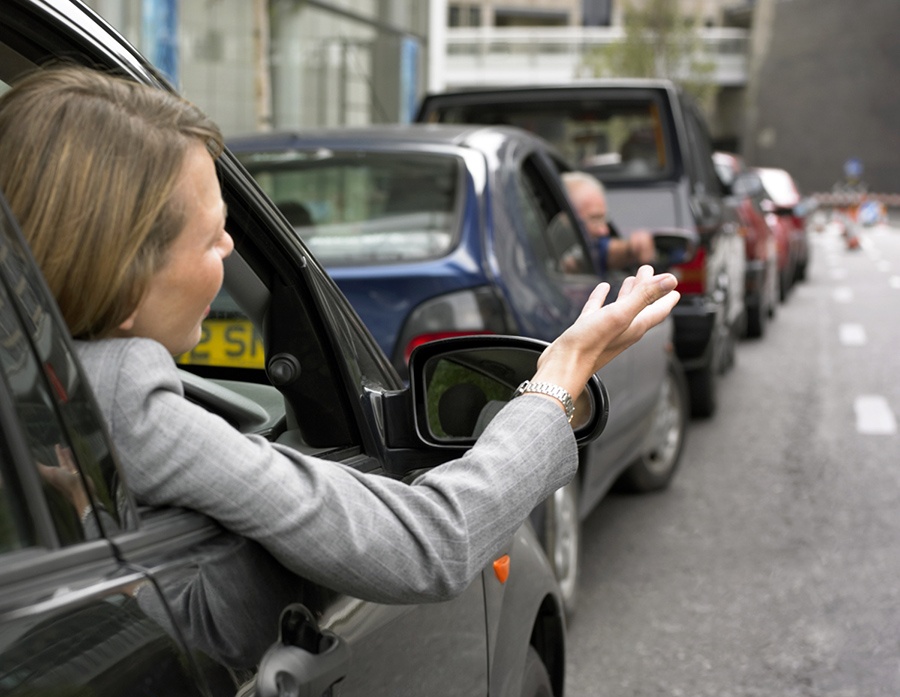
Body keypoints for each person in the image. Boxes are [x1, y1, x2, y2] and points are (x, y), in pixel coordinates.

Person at [0, 66, 679, 606]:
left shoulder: (43, 387)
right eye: (212, 238)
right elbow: (428, 545)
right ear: (126, 270)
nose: (232, 247)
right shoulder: (123, 394)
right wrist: (557, 378)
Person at [562, 170, 656, 274]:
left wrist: (631, 248)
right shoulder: (553, 259)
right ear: (562, 218)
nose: (604, 231)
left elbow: (604, 250)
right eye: (594, 219)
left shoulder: (588, 245)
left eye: (604, 219)